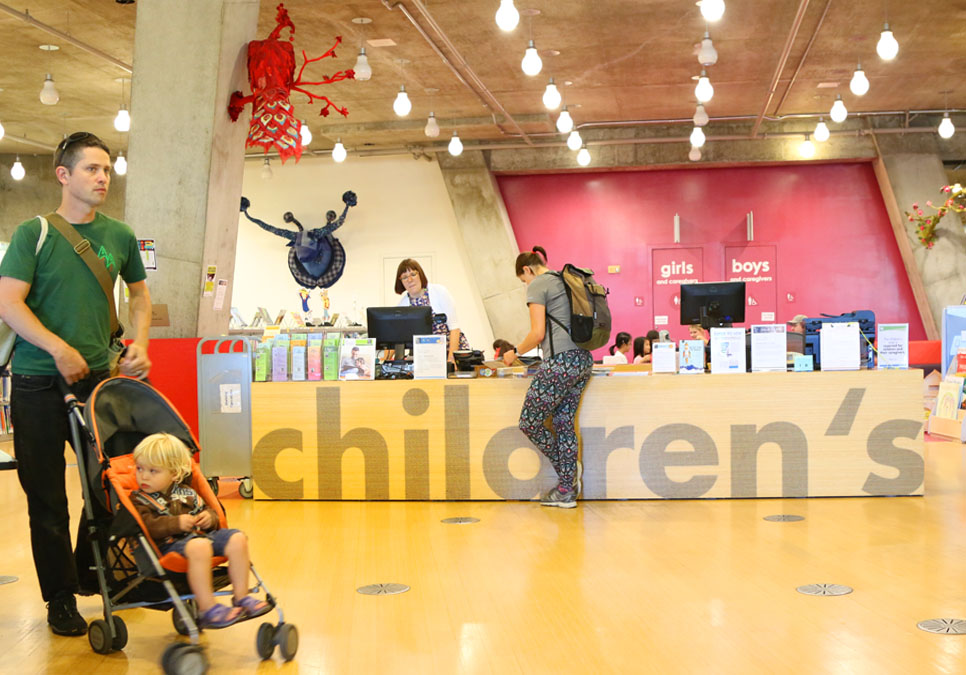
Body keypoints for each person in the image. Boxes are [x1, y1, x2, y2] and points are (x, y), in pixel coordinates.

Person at [0, 132, 152, 636]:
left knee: (110, 488)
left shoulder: (121, 236)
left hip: (100, 383)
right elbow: (8, 303)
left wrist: (141, 343)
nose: (103, 177)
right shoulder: (33, 234)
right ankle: (60, 598)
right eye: (92, 169)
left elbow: (140, 296)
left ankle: (90, 572)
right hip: (36, 385)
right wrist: (55, 347)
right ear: (64, 175)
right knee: (46, 500)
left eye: (107, 169)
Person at [131, 433, 269, 628]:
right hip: (167, 546)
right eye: (139, 468)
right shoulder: (139, 500)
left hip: (199, 537)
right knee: (200, 547)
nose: (143, 475)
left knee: (237, 538)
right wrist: (176, 523)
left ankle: (241, 597)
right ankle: (208, 609)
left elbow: (207, 511)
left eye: (153, 471)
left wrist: (209, 518)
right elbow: (147, 526)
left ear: (174, 473)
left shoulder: (187, 493)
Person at [502, 246, 594, 509]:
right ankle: (566, 490)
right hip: (582, 360)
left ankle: (567, 472)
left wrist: (515, 353)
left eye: (523, 281)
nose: (525, 286)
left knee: (529, 422)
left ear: (527, 270)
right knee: (563, 422)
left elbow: (538, 333)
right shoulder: (564, 280)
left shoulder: (539, 284)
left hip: (562, 361)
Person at [395, 259, 470, 362]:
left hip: (453, 354)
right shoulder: (402, 305)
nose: (409, 280)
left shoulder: (439, 292)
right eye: (404, 277)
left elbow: (454, 328)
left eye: (413, 274)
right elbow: (396, 337)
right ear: (401, 282)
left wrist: (451, 361)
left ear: (420, 274)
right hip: (428, 358)